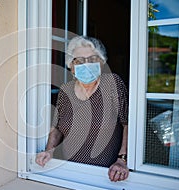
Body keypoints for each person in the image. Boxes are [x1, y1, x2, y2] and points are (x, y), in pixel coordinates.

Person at [35, 36, 129, 182]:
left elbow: (127, 123)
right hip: (68, 172)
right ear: (71, 67)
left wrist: (122, 159)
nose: (86, 65)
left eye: (92, 59)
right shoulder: (66, 90)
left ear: (102, 62)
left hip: (104, 176)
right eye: (79, 61)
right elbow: (57, 128)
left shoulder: (112, 84)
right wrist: (49, 151)